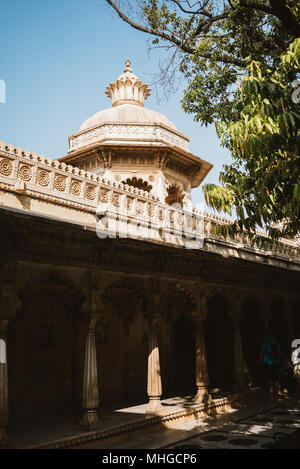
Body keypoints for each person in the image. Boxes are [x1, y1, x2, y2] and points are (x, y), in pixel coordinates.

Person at [261, 330, 281, 400]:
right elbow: (279, 352)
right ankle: (277, 393)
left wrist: (261, 359)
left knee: (270, 379)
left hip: (268, 362)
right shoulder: (275, 341)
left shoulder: (265, 341)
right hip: (275, 362)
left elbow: (262, 351)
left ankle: (271, 395)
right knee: (276, 379)